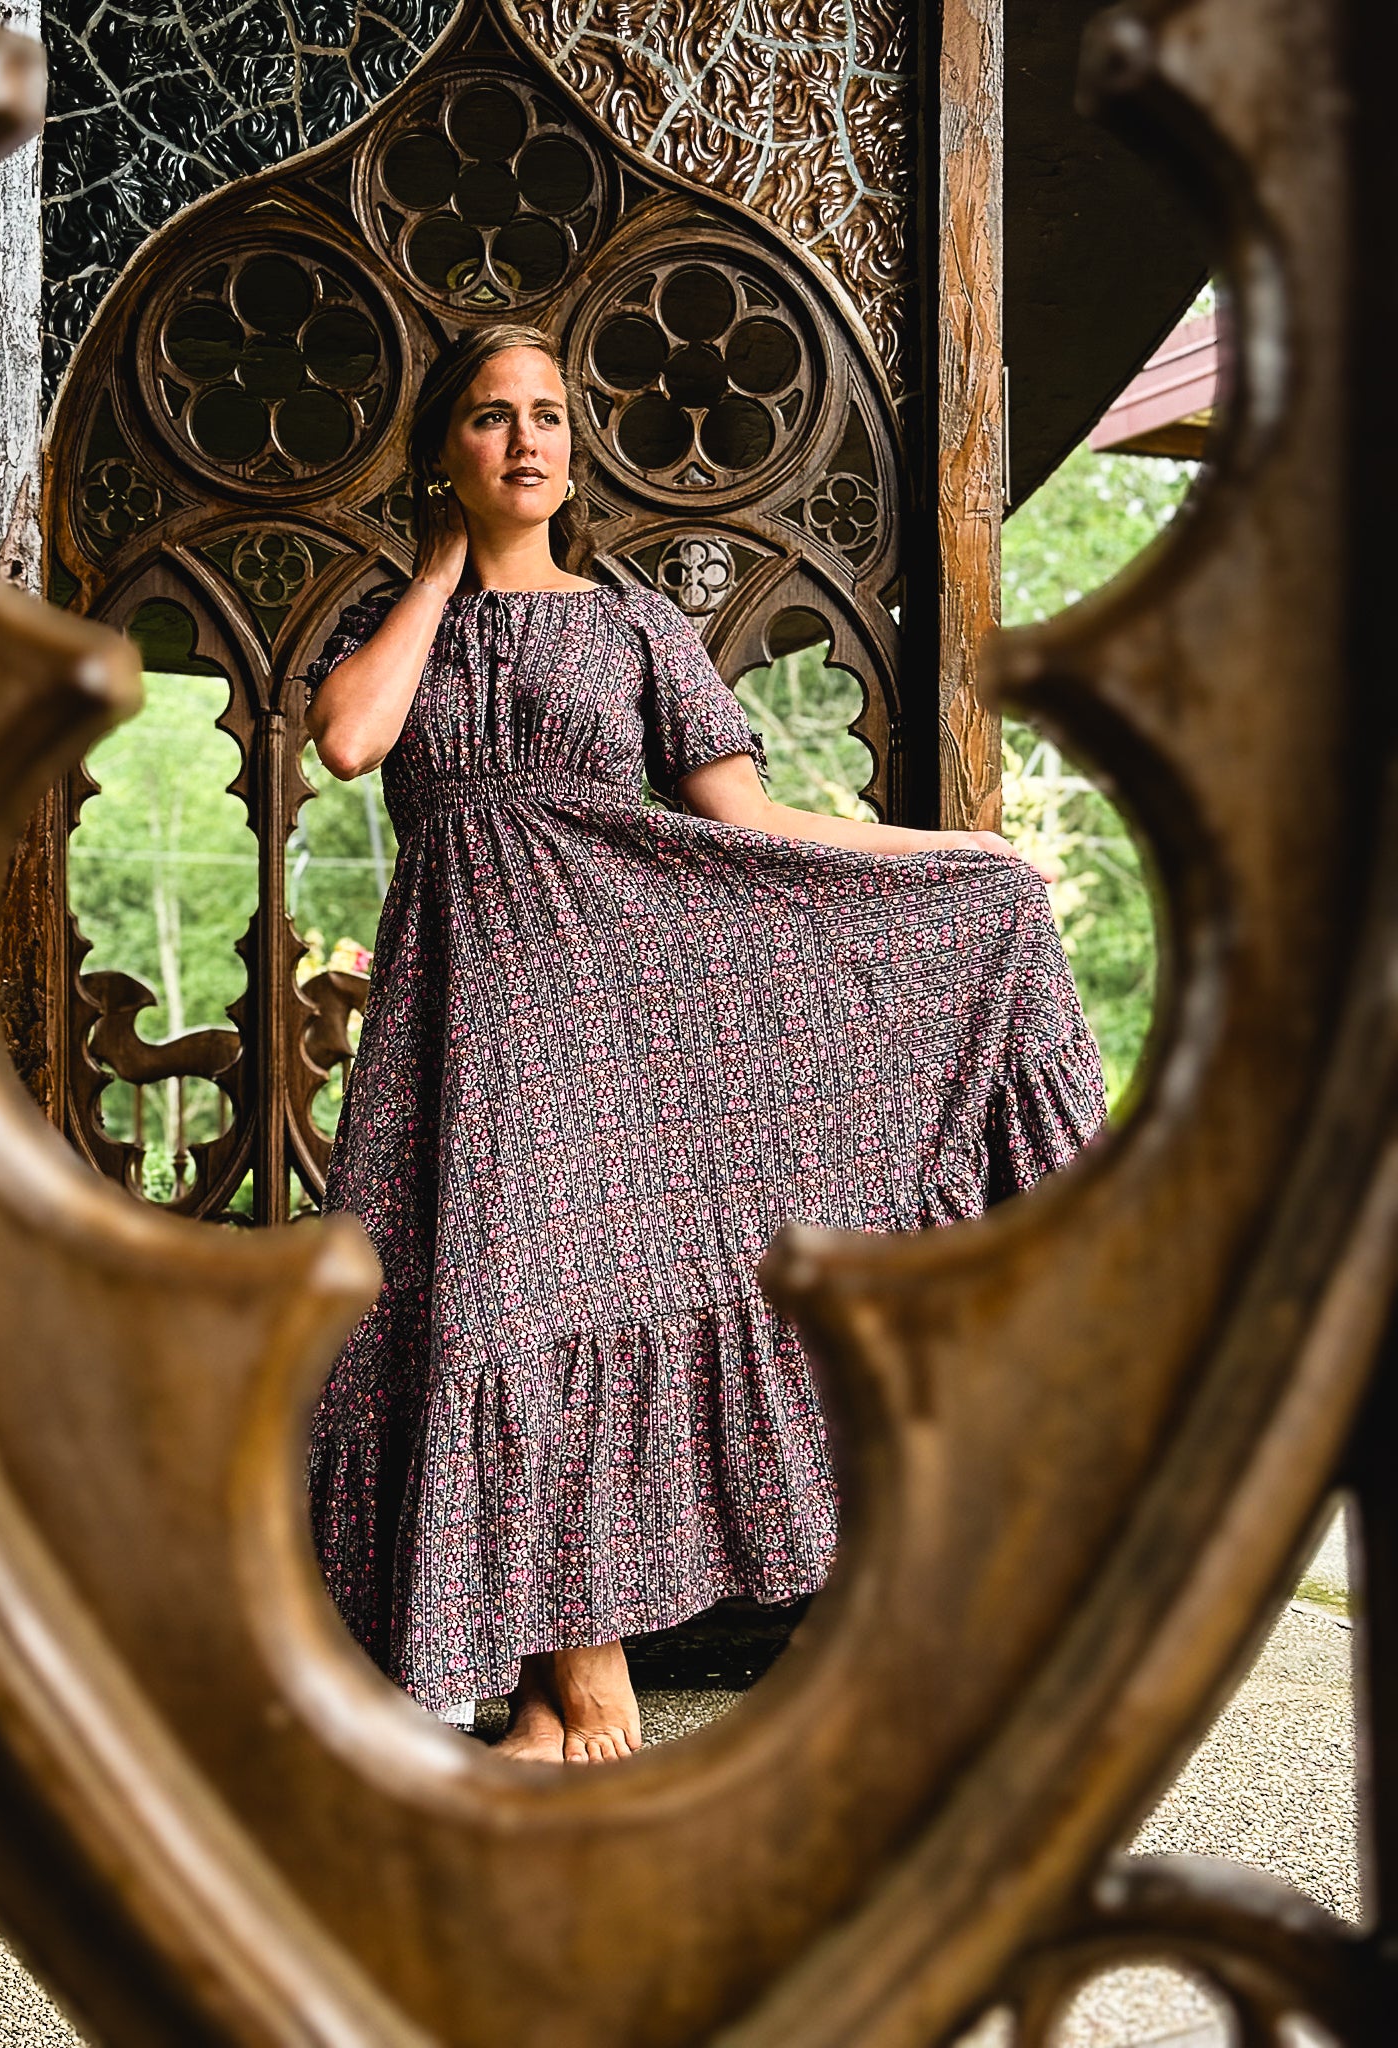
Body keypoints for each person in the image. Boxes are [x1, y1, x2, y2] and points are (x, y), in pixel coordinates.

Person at [301, 320, 1106, 1765]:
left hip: (609, 1017)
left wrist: (957, 856)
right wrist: (435, 568)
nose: (530, 439)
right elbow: (354, 744)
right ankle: (557, 1688)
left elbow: (750, 828)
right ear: (447, 451)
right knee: (480, 1319)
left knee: (553, 1309)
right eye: (491, 417)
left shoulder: (635, 628)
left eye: (549, 414)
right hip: (459, 1025)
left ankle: (574, 1686)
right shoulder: (388, 623)